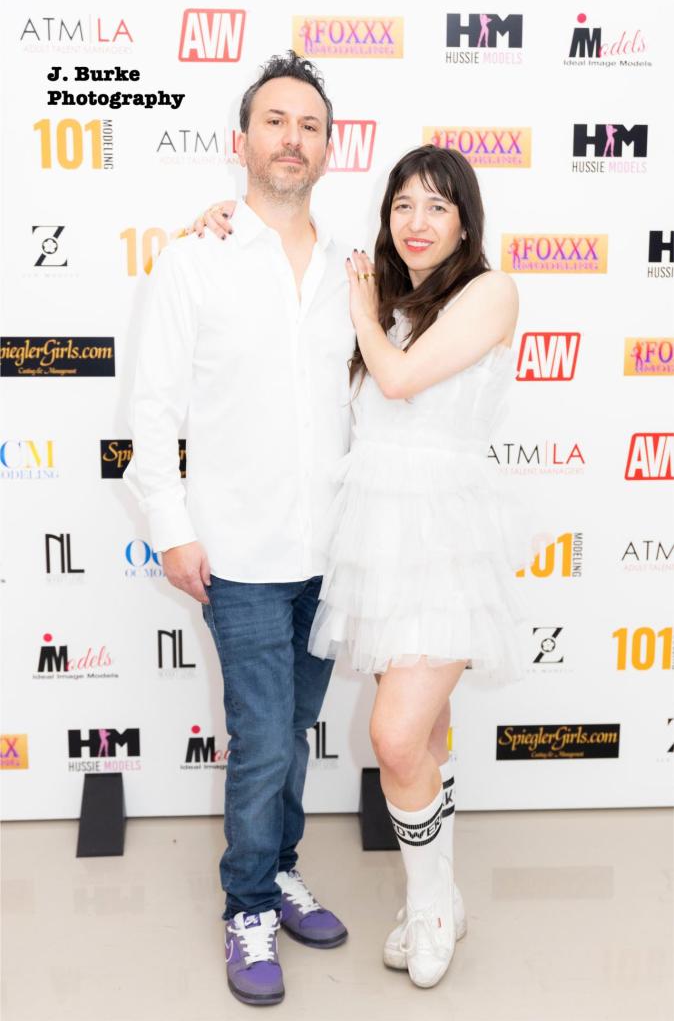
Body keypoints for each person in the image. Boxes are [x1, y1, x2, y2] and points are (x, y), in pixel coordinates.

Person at [195, 144, 523, 991]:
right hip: (376, 540)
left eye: (438, 206)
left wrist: (364, 312)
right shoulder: (386, 295)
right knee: (427, 736)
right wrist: (219, 223)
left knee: (395, 736)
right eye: (402, 204)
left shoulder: (489, 291)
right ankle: (441, 900)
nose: (417, 221)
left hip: (445, 539)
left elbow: (402, 379)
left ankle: (430, 904)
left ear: (466, 222)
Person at [124, 52, 354, 1008]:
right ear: (243, 140)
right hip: (241, 555)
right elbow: (153, 409)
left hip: (335, 555)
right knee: (263, 737)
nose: (291, 138)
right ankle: (249, 904)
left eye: (309, 125)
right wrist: (171, 526)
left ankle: (282, 865)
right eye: (275, 121)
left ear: (329, 148)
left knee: (293, 729)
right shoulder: (195, 258)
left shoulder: (355, 270)